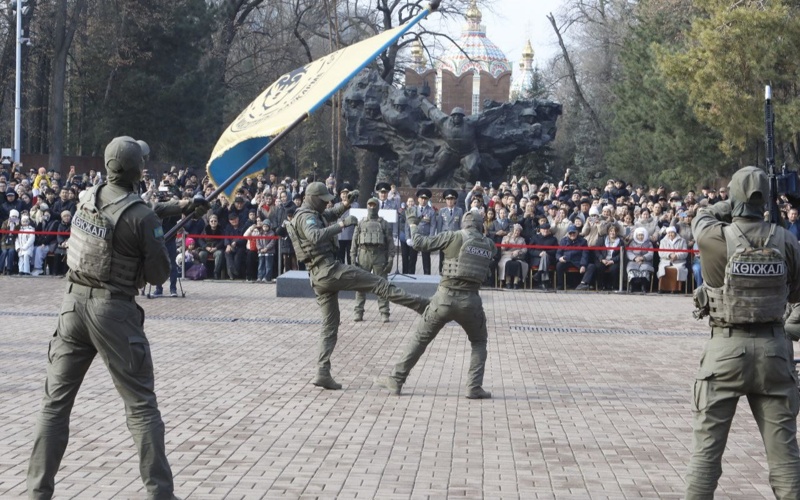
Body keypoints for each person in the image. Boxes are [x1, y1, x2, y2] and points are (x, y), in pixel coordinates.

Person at [27, 136, 194, 499]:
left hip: (72, 306)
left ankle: (37, 492)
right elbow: (157, 275)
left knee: (54, 407)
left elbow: (136, 208)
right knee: (141, 406)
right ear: (137, 170)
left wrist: (180, 206)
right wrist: (157, 234)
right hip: (113, 312)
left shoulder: (89, 195)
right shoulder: (142, 218)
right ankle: (160, 493)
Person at [685, 166, 800, 498]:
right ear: (766, 200)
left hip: (725, 351)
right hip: (775, 352)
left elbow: (703, 215)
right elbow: (796, 294)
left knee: (706, 457)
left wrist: (729, 204)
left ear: (733, 198)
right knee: (785, 460)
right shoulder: (786, 239)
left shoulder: (714, 237)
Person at [285, 182, 429, 390]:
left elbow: (330, 213)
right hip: (330, 270)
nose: (326, 203)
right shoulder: (306, 217)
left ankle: (322, 372)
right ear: (313, 198)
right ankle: (421, 305)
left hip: (317, 277)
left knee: (330, 325)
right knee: (378, 283)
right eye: (323, 200)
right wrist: (343, 225)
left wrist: (345, 204)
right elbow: (314, 235)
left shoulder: (310, 212)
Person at [374, 209, 495, 399]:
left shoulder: (452, 236)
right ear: (481, 226)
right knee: (479, 342)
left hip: (444, 299)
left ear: (464, 223)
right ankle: (474, 386)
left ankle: (397, 379)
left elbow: (420, 243)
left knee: (420, 339)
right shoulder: (489, 245)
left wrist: (413, 225)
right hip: (471, 301)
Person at [351, 198, 394, 322]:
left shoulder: (384, 223)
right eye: (369, 204)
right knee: (360, 285)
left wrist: (390, 259)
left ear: (378, 206)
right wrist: (353, 258)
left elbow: (390, 243)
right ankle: (358, 312)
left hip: (379, 255)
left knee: (382, 285)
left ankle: (384, 312)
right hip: (364, 255)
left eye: (374, 204)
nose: (371, 207)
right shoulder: (361, 223)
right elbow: (354, 242)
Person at [555, 224, 595, 290]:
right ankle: (560, 285)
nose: (572, 234)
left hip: (578, 260)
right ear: (568, 233)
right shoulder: (563, 241)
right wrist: (559, 258)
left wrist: (583, 265)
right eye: (570, 233)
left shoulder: (583, 241)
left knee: (591, 266)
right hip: (567, 260)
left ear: (577, 232)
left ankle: (583, 283)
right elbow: (558, 253)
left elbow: (585, 254)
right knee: (559, 265)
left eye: (574, 232)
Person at [436, 188, 463, 273]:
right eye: (448, 199)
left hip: (455, 237)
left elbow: (461, 225)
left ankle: (453, 272)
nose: (450, 201)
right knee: (442, 255)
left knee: (454, 256)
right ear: (445, 200)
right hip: (445, 237)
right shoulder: (442, 211)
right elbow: (439, 225)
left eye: (452, 199)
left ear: (455, 200)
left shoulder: (459, 211)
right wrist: (439, 238)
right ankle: (441, 271)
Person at [626, 227, 654, 293]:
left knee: (645, 269)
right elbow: (629, 252)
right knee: (631, 269)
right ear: (636, 235)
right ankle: (631, 286)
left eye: (642, 235)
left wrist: (643, 258)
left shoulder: (649, 243)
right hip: (634, 260)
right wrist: (635, 258)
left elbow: (651, 253)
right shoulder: (632, 243)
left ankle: (643, 286)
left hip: (645, 261)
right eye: (639, 235)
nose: (640, 237)